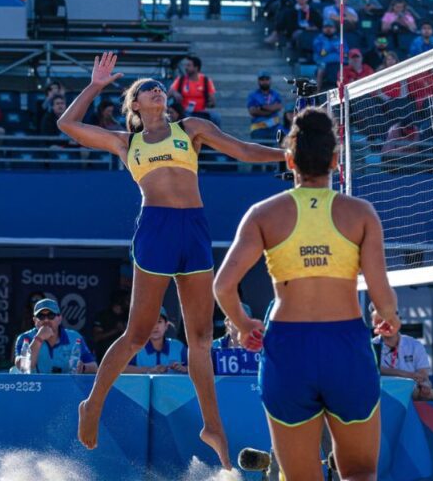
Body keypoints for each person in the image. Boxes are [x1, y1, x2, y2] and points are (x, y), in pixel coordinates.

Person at [59, 53, 284, 468]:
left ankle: (212, 425)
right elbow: (67, 125)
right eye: (146, 89)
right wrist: (95, 85)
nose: (156, 89)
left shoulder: (192, 128)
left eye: (159, 86)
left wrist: (287, 157)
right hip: (157, 229)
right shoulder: (127, 142)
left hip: (194, 228)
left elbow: (242, 149)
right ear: (136, 106)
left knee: (200, 337)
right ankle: (92, 405)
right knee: (137, 334)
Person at [213, 107, 400, 480]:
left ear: (288, 159)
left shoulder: (263, 213)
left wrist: (243, 323)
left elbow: (222, 286)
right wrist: (388, 318)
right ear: (335, 160)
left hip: (288, 347)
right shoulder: (360, 213)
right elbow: (381, 293)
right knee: (360, 473)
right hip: (344, 343)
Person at [372, 311, 433, 401]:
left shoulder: (414, 345)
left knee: (429, 394)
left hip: (411, 393)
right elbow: (376, 370)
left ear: (399, 322)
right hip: (382, 395)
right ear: (374, 325)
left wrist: (425, 385)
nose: (386, 324)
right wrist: (408, 375)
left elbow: (423, 376)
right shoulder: (370, 346)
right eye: (380, 321)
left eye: (391, 320)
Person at [13, 299, 97, 374]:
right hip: (36, 388)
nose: (46, 320)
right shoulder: (24, 338)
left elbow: (94, 367)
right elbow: (23, 367)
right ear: (35, 320)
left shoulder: (75, 337)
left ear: (59, 319)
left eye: (51, 315)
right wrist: (39, 339)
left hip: (66, 387)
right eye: (41, 316)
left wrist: (83, 367)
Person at [124, 306, 188, 374]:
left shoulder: (178, 347)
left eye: (159, 322)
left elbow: (198, 366)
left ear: (166, 326)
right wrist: (149, 369)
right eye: (150, 322)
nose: (155, 326)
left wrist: (185, 369)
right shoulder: (136, 348)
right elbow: (122, 368)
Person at [169, 55, 219, 124]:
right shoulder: (181, 80)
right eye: (186, 65)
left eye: (189, 66)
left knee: (216, 116)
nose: (186, 68)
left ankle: (215, 134)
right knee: (186, 117)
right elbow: (169, 92)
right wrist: (174, 93)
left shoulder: (206, 80)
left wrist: (211, 101)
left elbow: (212, 101)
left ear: (196, 68)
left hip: (201, 111)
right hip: (185, 111)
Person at [246, 71, 284, 140]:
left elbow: (279, 106)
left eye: (267, 79)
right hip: (258, 128)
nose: (264, 81)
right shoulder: (252, 95)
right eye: (262, 79)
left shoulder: (276, 94)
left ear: (270, 80)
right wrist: (271, 109)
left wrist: (262, 107)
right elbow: (252, 111)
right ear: (258, 81)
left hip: (275, 127)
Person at [92, 290, 130, 360]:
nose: (129, 302)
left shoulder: (129, 315)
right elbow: (96, 337)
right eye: (127, 300)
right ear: (120, 300)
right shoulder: (103, 316)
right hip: (105, 354)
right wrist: (116, 330)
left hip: (125, 354)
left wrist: (125, 330)